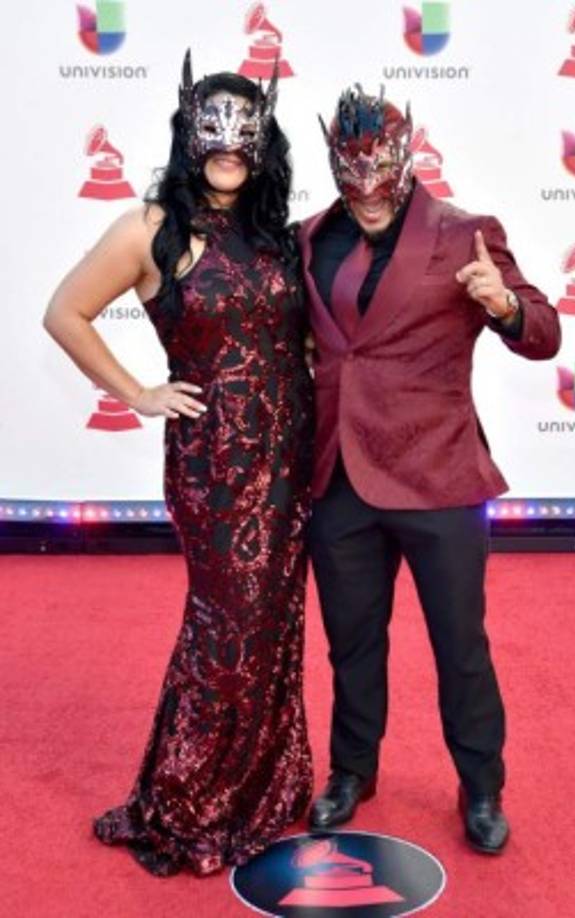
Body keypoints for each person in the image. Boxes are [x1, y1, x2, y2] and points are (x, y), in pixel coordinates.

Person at [43, 52, 314, 876]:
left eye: (245, 129)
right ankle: (189, 797)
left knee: (275, 626)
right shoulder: (147, 227)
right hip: (213, 469)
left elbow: (297, 336)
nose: (229, 144)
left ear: (264, 141)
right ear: (189, 133)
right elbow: (65, 312)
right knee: (223, 628)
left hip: (291, 455)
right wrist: (138, 391)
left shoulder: (278, 232)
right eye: (214, 127)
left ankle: (265, 787)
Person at [300, 85, 561, 854]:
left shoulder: (464, 233)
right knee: (352, 641)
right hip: (340, 476)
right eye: (355, 184)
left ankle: (481, 788)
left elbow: (543, 332)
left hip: (438, 475)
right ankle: (352, 771)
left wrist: (505, 306)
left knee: (460, 644)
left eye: (381, 183)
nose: (370, 200)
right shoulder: (310, 236)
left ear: (407, 160)